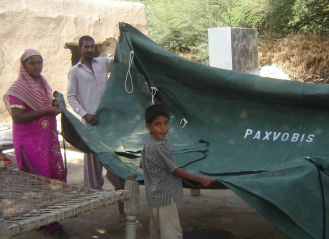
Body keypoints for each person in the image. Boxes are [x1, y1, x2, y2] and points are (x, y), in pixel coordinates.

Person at [3, 49, 67, 236]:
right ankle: (49, 223)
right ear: (24, 66)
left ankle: (47, 217)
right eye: (32, 63)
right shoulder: (18, 88)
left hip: (46, 141)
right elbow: (18, 117)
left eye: (40, 62)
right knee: (39, 180)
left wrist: (53, 106)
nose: (37, 66)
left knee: (50, 178)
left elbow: (44, 105)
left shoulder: (42, 83)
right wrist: (46, 112)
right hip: (31, 143)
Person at [67, 36, 125, 220]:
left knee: (116, 160)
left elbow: (119, 62)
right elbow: (71, 97)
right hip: (90, 122)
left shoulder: (102, 63)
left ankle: (121, 203)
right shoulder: (75, 72)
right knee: (92, 163)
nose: (90, 50)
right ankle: (94, 199)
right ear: (80, 49)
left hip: (109, 123)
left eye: (92, 46)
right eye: (86, 47)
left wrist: (125, 43)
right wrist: (84, 114)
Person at [140, 104, 216, 239]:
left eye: (166, 123)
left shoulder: (149, 144)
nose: (163, 128)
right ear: (148, 127)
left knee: (157, 231)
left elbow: (142, 163)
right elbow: (175, 170)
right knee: (171, 232)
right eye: (158, 124)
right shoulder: (158, 146)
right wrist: (200, 179)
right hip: (164, 197)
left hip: (154, 195)